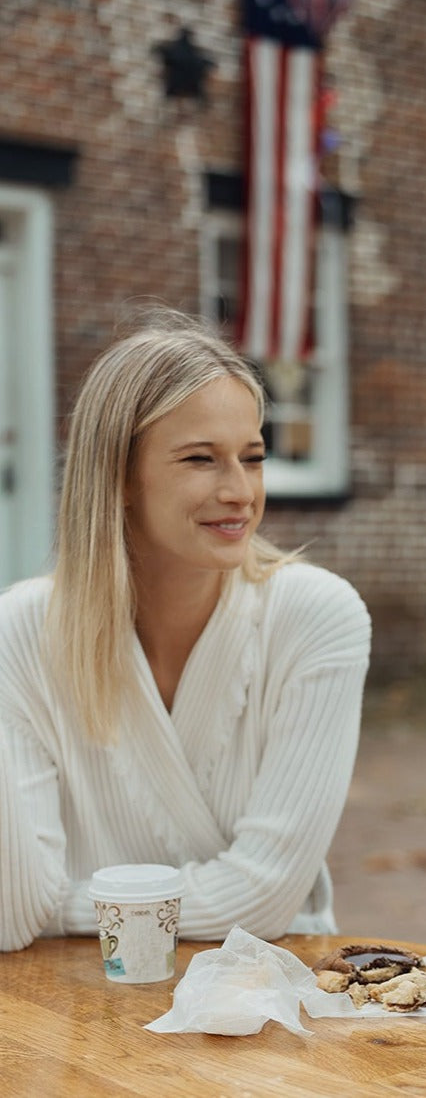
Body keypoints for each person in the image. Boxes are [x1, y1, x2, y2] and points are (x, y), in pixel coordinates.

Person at [0, 311, 370, 951]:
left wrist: (75, 901)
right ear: (117, 475)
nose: (239, 491)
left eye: (252, 458)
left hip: (267, 993)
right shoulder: (22, 631)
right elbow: (14, 910)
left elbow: (265, 898)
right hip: (78, 1001)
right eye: (200, 459)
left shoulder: (316, 615)